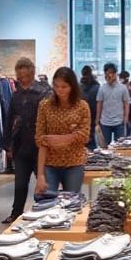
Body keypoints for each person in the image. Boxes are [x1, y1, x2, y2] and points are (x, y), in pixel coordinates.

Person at [2, 57, 50, 224]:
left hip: (39, 145)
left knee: (43, 182)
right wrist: (7, 144)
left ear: (32, 73)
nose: (23, 80)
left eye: (26, 76)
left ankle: (45, 213)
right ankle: (16, 213)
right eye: (20, 77)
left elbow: (49, 118)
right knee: (20, 183)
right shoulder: (16, 95)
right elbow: (9, 119)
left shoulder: (43, 92)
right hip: (21, 144)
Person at [35, 66, 92, 194]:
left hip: (74, 163)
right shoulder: (44, 106)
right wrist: (40, 175)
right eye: (56, 86)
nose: (59, 90)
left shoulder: (82, 107)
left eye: (64, 86)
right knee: (47, 201)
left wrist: (59, 139)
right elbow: (40, 140)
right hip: (50, 164)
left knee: (72, 202)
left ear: (72, 86)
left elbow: (84, 136)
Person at [95, 62, 131, 148]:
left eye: (111, 73)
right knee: (104, 147)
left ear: (115, 73)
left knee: (120, 147)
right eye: (107, 73)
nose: (109, 75)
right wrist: (97, 119)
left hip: (119, 121)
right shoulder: (102, 88)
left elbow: (126, 103)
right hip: (105, 122)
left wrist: (126, 117)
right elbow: (99, 104)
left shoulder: (123, 88)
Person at [79, 65, 100, 150]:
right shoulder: (97, 87)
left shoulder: (79, 87)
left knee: (84, 136)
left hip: (81, 115)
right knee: (92, 137)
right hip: (94, 114)